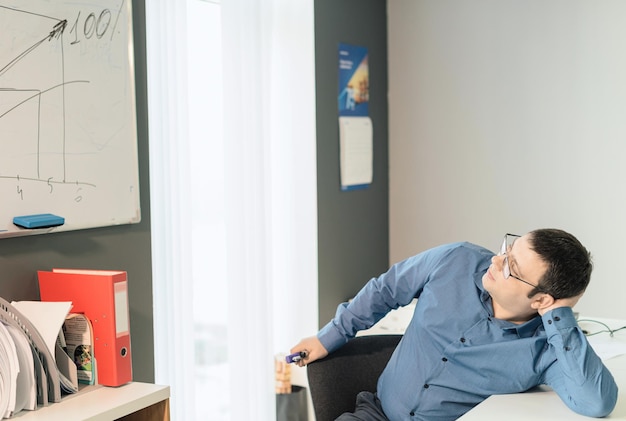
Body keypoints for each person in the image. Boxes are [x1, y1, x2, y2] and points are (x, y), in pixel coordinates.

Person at [291, 229, 618, 420]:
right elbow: (386, 290)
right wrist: (329, 336)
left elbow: (596, 401)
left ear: (543, 301)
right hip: (376, 414)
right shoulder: (457, 259)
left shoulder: (545, 351)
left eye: (511, 267)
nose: (496, 260)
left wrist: (559, 317)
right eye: (508, 249)